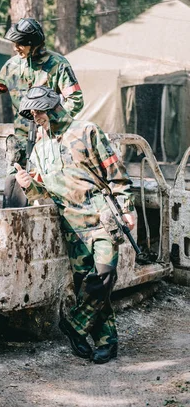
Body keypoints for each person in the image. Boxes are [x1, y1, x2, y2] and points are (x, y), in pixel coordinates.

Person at [14, 86, 136, 364]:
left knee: (104, 277)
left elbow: (115, 171)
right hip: (72, 226)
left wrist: (127, 207)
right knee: (87, 285)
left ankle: (75, 325)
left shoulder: (87, 131)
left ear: (52, 106)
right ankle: (107, 341)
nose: (34, 116)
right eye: (31, 112)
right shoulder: (39, 149)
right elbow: (43, 194)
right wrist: (29, 185)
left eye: (38, 109)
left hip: (103, 217)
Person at [0, 17, 83, 207]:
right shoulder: (12, 66)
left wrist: (52, 125)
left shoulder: (57, 64)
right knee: (15, 184)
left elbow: (75, 100)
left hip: (50, 141)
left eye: (20, 44)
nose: (15, 48)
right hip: (21, 140)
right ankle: (12, 231)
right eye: (14, 44)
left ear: (33, 44)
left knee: (48, 189)